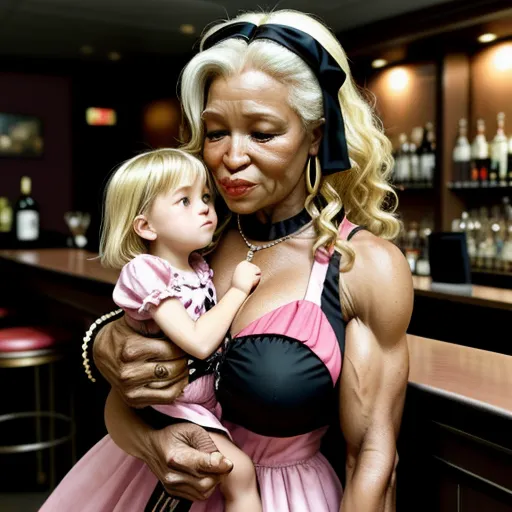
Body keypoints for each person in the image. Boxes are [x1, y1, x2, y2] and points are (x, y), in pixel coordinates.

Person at [59, 8, 413, 512]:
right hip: (148, 487)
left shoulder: (364, 266)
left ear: (315, 136)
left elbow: (373, 457)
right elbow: (127, 390)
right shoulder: (194, 240)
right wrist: (151, 441)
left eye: (263, 133)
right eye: (216, 131)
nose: (232, 157)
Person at [40, 148, 263, 512]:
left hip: (203, 404)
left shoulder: (198, 266)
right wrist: (238, 290)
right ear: (146, 226)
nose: (205, 207)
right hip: (170, 403)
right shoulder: (147, 272)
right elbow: (198, 341)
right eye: (185, 200)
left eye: (205, 197)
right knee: (239, 473)